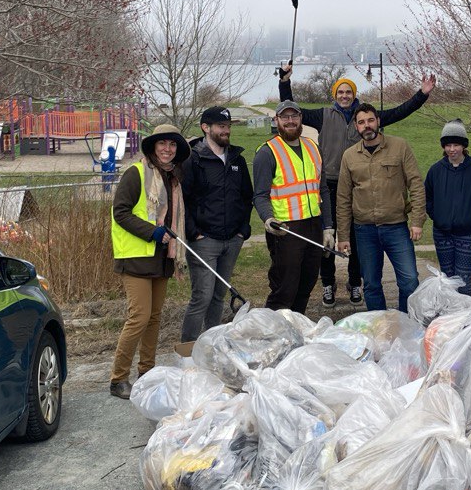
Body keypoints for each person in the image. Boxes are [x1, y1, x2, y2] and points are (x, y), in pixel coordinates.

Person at [278, 63, 436, 307]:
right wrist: (284, 82)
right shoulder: (323, 115)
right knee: (328, 238)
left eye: (348, 92)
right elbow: (292, 110)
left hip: (358, 186)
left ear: (354, 95)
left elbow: (400, 111)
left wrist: (422, 94)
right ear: (335, 95)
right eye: (340, 92)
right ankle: (328, 283)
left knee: (356, 239)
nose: (344, 96)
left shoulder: (364, 118)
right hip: (330, 185)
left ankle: (354, 282)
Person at [108, 123, 190, 399]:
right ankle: (118, 378)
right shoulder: (137, 173)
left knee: (154, 318)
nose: (167, 149)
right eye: (162, 144)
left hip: (162, 257)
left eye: (173, 145)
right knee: (139, 318)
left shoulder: (173, 178)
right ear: (153, 146)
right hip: (136, 257)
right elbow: (120, 212)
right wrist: (152, 232)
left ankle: (147, 373)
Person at [335, 103, 425, 313]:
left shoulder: (399, 147)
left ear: (378, 121)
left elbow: (416, 184)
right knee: (372, 285)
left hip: (396, 227)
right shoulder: (349, 156)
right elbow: (343, 198)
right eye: (361, 122)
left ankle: (406, 322)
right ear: (356, 127)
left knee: (410, 281)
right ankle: (381, 326)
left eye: (370, 120)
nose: (367, 126)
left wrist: (417, 221)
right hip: (364, 230)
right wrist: (343, 236)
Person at [179, 106, 253, 342]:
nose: (226, 131)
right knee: (202, 296)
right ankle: (188, 350)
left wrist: (243, 230)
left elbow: (245, 196)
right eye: (221, 126)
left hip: (232, 239)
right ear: (206, 128)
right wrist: (193, 232)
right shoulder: (193, 159)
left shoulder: (237, 160)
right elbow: (184, 199)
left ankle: (212, 345)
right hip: (204, 241)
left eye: (228, 126)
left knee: (219, 295)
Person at [252, 99, 332, 314]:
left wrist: (328, 227)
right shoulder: (267, 152)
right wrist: (269, 219)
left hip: (313, 226)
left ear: (300, 119)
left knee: (307, 284)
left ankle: (295, 327)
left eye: (294, 116)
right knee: (284, 289)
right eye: (284, 117)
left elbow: (322, 189)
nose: (290, 121)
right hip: (285, 230)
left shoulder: (313, 147)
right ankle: (274, 334)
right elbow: (260, 195)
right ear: (276, 120)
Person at [424, 119, 471, 293]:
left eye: (456, 145)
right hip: (442, 232)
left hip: (466, 233)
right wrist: (436, 215)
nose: (452, 149)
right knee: (446, 279)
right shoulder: (435, 170)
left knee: (463, 280)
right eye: (448, 145)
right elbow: (427, 197)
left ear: (463, 146)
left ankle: (465, 317)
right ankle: (448, 317)